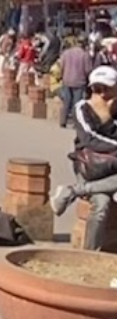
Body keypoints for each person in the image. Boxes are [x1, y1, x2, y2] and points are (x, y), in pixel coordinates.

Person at [51, 66, 117, 250]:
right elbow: (89, 140)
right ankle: (90, 255)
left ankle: (73, 191)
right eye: (97, 89)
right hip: (91, 167)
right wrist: (105, 119)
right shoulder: (82, 108)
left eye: (107, 89)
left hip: (113, 170)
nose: (102, 94)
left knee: (103, 205)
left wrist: (109, 118)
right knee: (101, 205)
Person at [58, 36, 93, 129]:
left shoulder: (66, 53)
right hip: (79, 81)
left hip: (67, 80)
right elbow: (88, 70)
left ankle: (63, 120)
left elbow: (61, 66)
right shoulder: (84, 55)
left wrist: (62, 76)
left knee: (66, 101)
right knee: (77, 103)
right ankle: (75, 122)